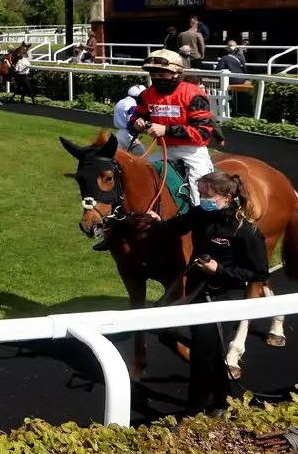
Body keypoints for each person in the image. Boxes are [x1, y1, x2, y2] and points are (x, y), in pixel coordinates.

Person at [147, 171, 268, 415]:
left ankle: (194, 411)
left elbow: (258, 272)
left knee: (202, 355)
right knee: (209, 353)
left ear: (226, 197)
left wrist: (219, 269)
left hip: (225, 297)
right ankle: (224, 402)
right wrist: (156, 222)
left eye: (207, 195)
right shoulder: (200, 214)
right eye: (200, 193)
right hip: (198, 292)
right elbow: (175, 228)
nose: (202, 199)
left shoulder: (246, 230)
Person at [129, 48, 217, 207]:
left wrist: (166, 130)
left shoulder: (194, 94)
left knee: (201, 195)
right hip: (165, 151)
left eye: (161, 75)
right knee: (135, 173)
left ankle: (205, 219)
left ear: (176, 73)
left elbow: (202, 132)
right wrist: (137, 123)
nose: (156, 79)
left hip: (193, 152)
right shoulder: (147, 95)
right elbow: (136, 118)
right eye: (153, 75)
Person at [113, 84, 147, 155]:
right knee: (142, 155)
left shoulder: (120, 102)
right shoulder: (133, 105)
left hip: (119, 134)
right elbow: (131, 123)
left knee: (116, 156)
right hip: (129, 135)